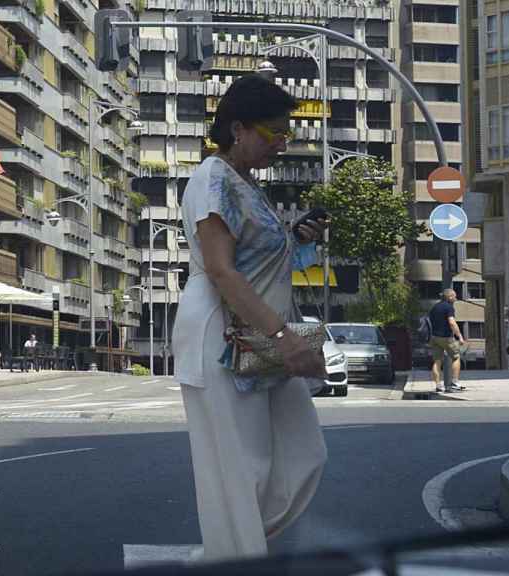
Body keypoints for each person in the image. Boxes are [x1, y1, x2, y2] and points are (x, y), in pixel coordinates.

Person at [171, 74, 328, 561]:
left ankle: (230, 552)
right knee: (243, 469)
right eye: (273, 132)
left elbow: (256, 262)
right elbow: (221, 270)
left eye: (288, 134)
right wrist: (283, 335)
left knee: (302, 456)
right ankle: (234, 556)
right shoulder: (213, 179)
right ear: (237, 127)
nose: (281, 144)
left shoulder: (245, 184)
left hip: (257, 336)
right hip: (224, 334)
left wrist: (297, 240)